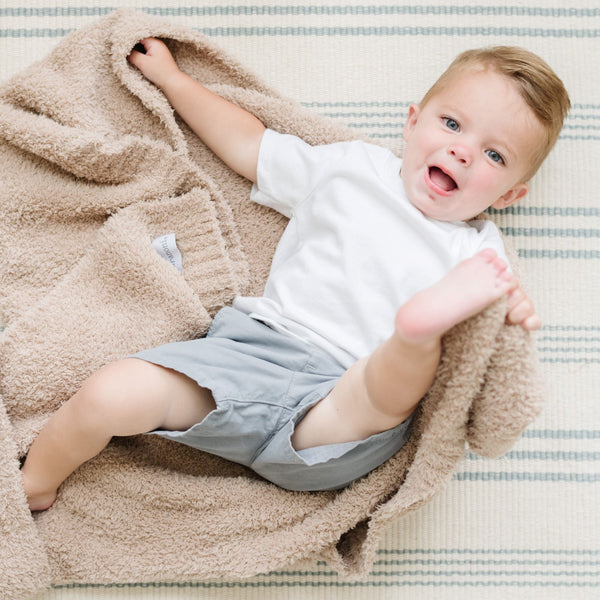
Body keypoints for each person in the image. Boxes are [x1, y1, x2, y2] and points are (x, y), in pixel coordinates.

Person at [21, 39, 570, 511]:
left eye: (494, 155)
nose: (462, 151)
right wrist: (172, 78)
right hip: (247, 358)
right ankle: (33, 485)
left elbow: (502, 328)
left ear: (511, 195)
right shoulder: (351, 169)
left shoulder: (479, 249)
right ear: (412, 121)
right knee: (110, 391)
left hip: (340, 409)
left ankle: (415, 331)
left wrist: (512, 310)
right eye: (451, 124)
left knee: (389, 376)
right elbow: (248, 145)